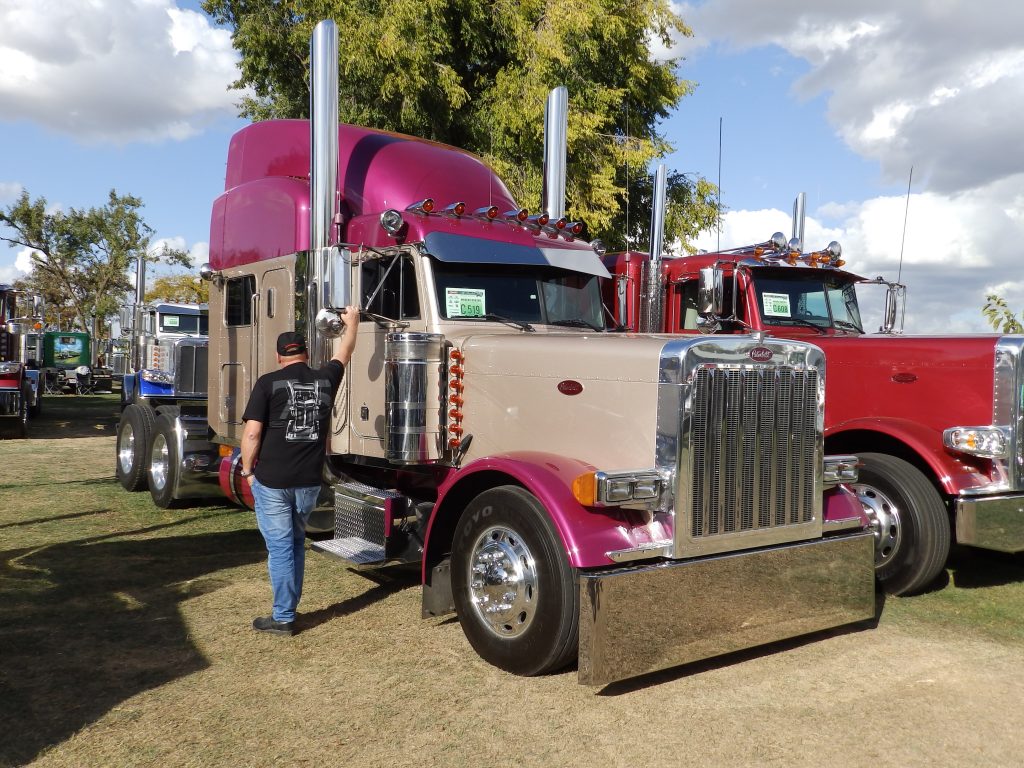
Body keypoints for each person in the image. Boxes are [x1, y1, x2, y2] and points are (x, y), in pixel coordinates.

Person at [240, 309, 359, 636]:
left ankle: (283, 618)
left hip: (273, 482)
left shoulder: (267, 384)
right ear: (305, 353)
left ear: (279, 357)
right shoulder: (325, 378)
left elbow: (252, 434)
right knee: (293, 543)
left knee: (280, 548)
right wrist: (353, 323)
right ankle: (287, 610)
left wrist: (248, 471)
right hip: (308, 482)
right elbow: (344, 352)